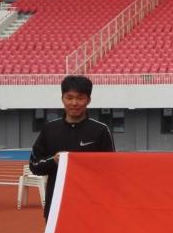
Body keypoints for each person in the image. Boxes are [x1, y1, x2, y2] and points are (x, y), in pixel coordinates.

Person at [29, 75, 115, 220]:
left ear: (88, 100)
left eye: (80, 98)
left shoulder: (101, 130)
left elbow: (110, 169)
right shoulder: (49, 129)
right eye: (69, 98)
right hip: (56, 206)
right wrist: (54, 160)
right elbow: (34, 165)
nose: (74, 103)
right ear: (62, 99)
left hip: (91, 206)